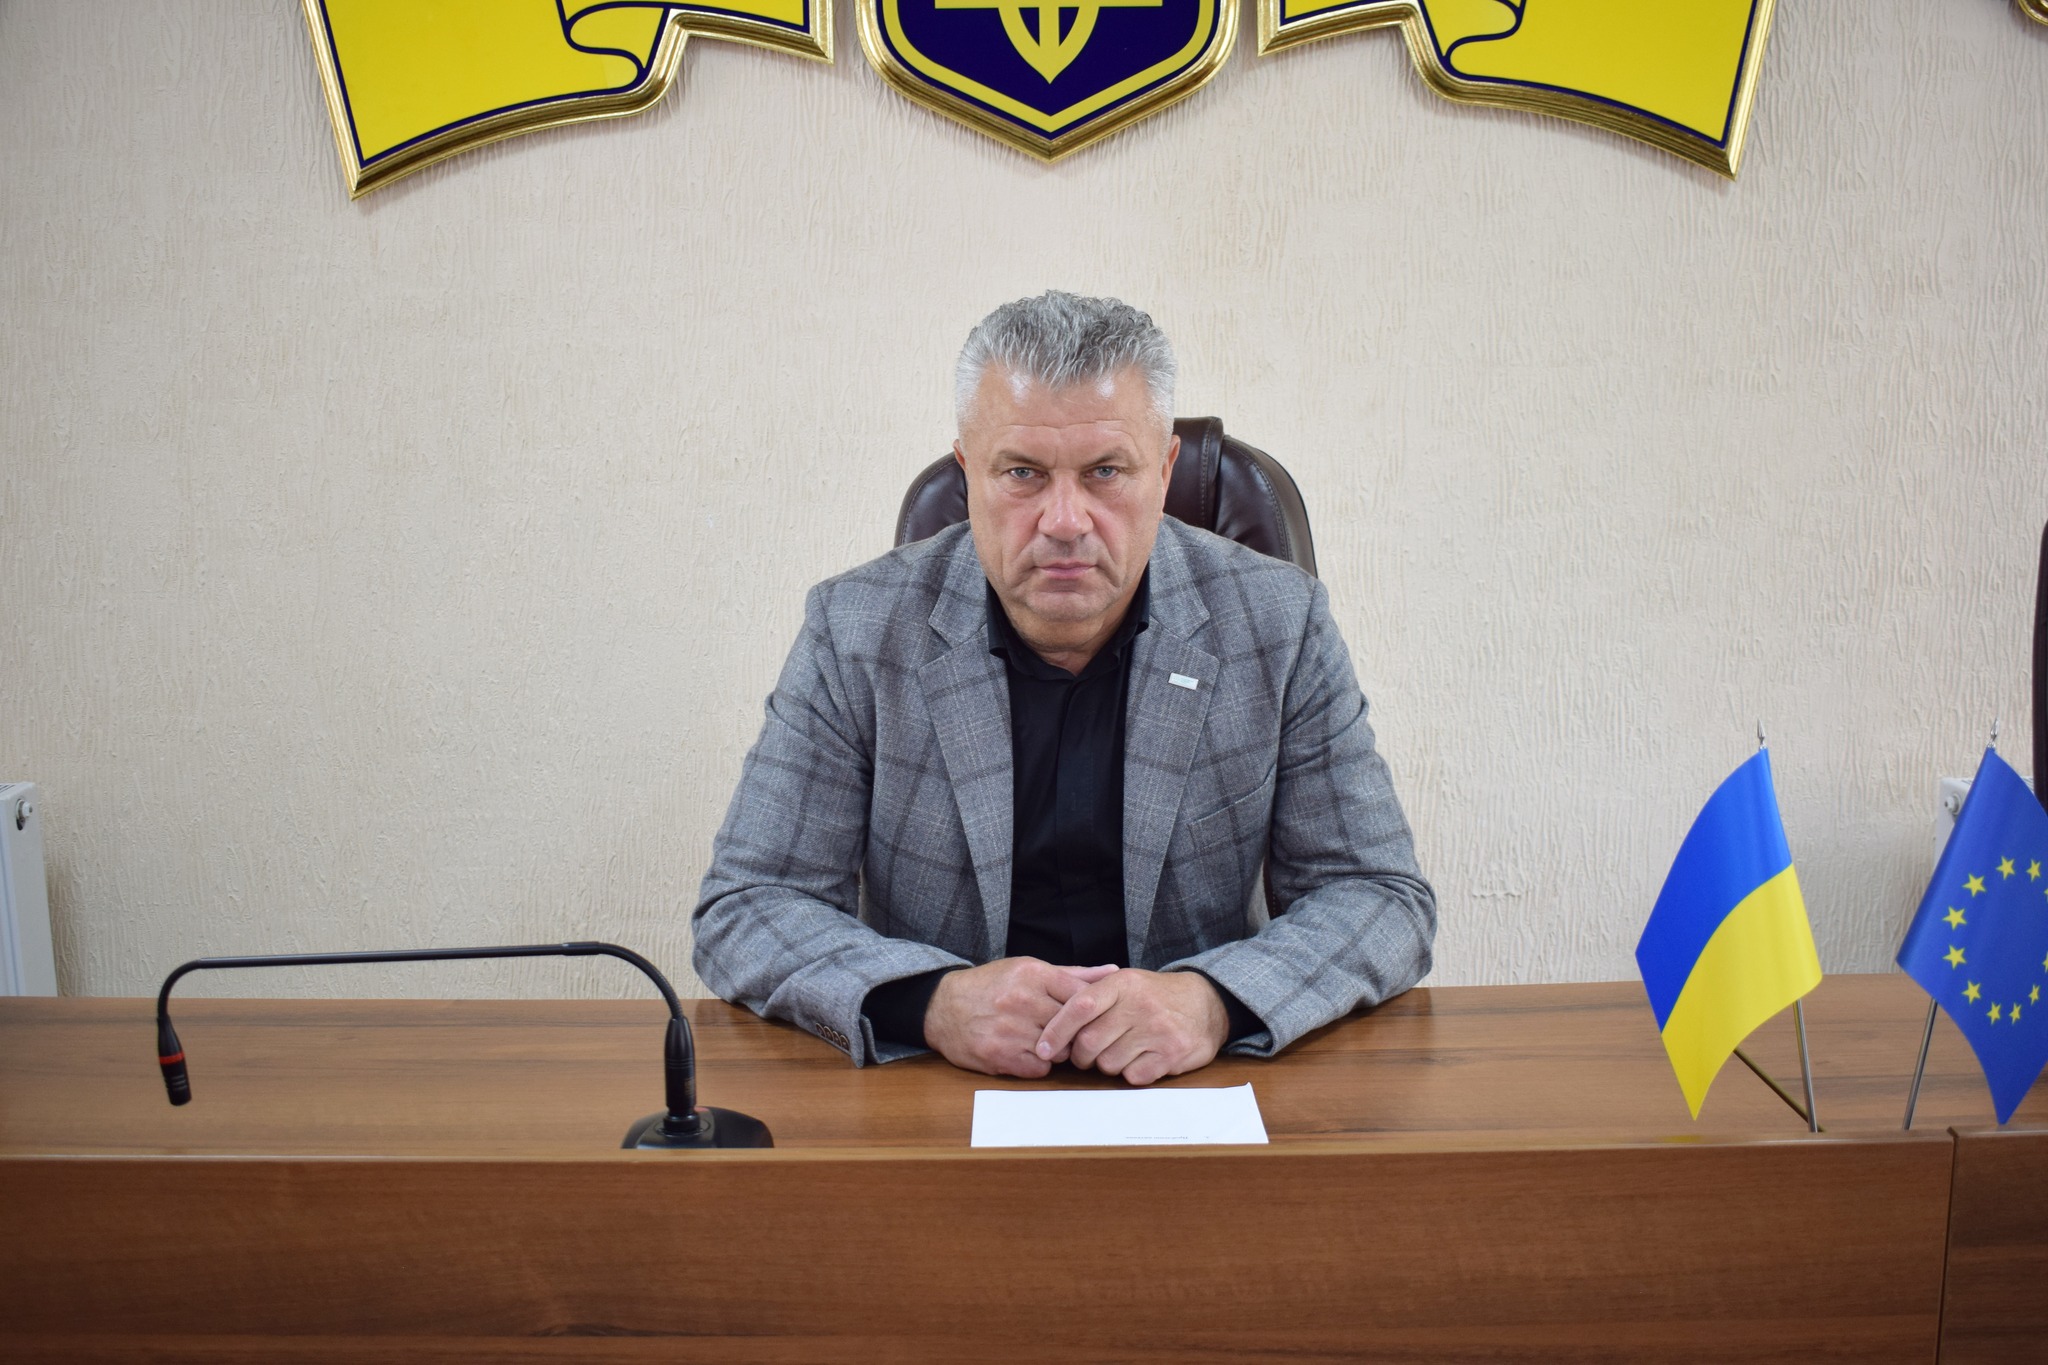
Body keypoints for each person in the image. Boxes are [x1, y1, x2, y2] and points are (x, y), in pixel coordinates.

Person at [693, 291, 1435, 1086]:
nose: (1066, 520)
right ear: (968, 475)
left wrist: (1213, 1002)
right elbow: (749, 904)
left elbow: (1378, 896)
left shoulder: (1278, 622)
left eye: (1105, 471)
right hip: (944, 1086)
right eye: (1023, 473)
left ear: (1164, 473)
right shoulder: (857, 629)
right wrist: (932, 1002)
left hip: (1195, 1083)